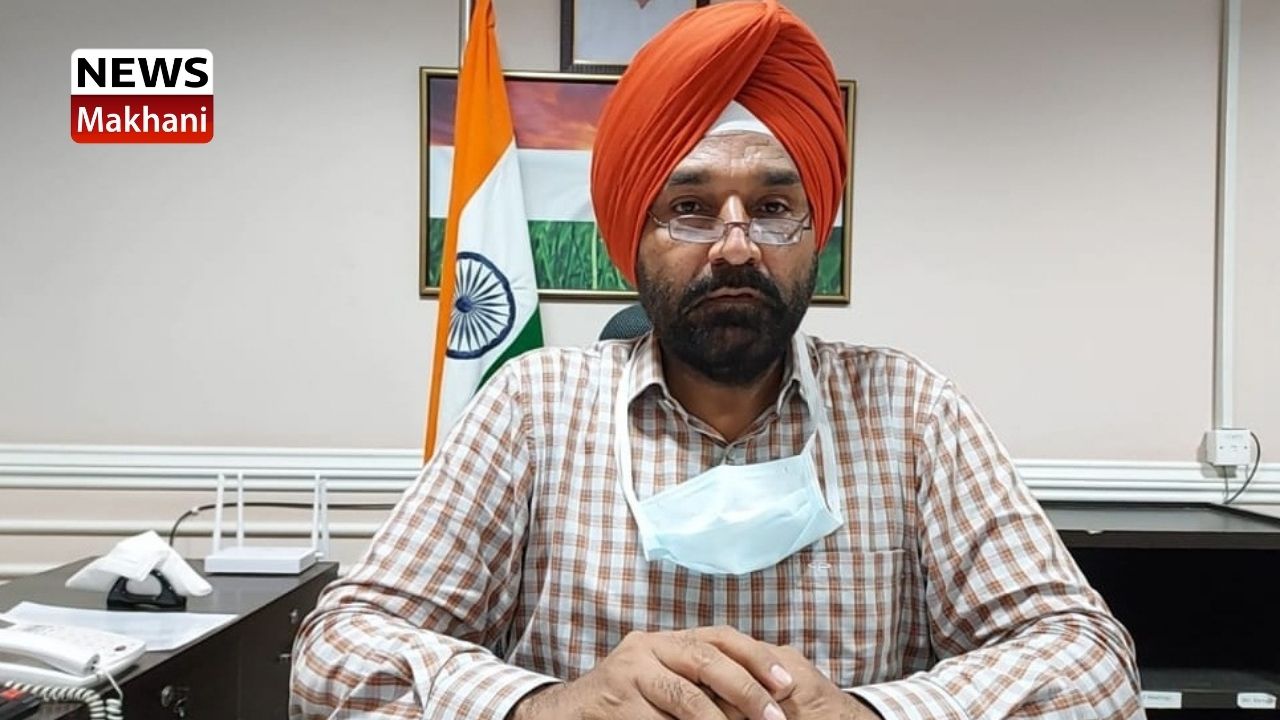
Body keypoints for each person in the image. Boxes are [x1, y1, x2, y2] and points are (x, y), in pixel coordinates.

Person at [290, 2, 1144, 718]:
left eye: (772, 207)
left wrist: (870, 713)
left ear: (815, 233)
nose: (736, 247)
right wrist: (551, 707)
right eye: (691, 208)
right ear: (633, 235)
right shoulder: (533, 408)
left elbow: (1094, 666)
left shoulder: (911, 412)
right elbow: (334, 655)